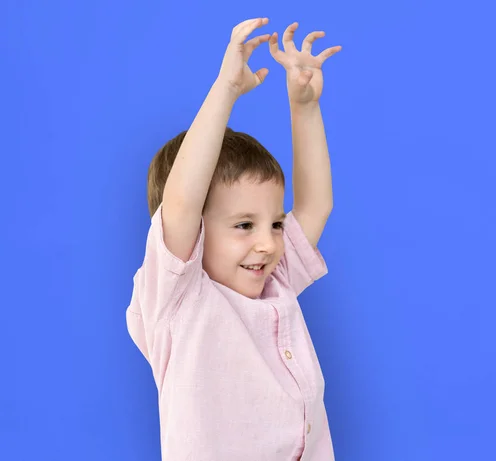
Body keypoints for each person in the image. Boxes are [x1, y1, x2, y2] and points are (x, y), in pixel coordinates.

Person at [126, 17, 342, 460]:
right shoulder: (177, 301)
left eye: (275, 224)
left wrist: (304, 107)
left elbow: (317, 205)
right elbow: (183, 204)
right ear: (197, 232)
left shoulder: (276, 281)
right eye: (244, 225)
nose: (267, 243)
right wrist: (226, 88)